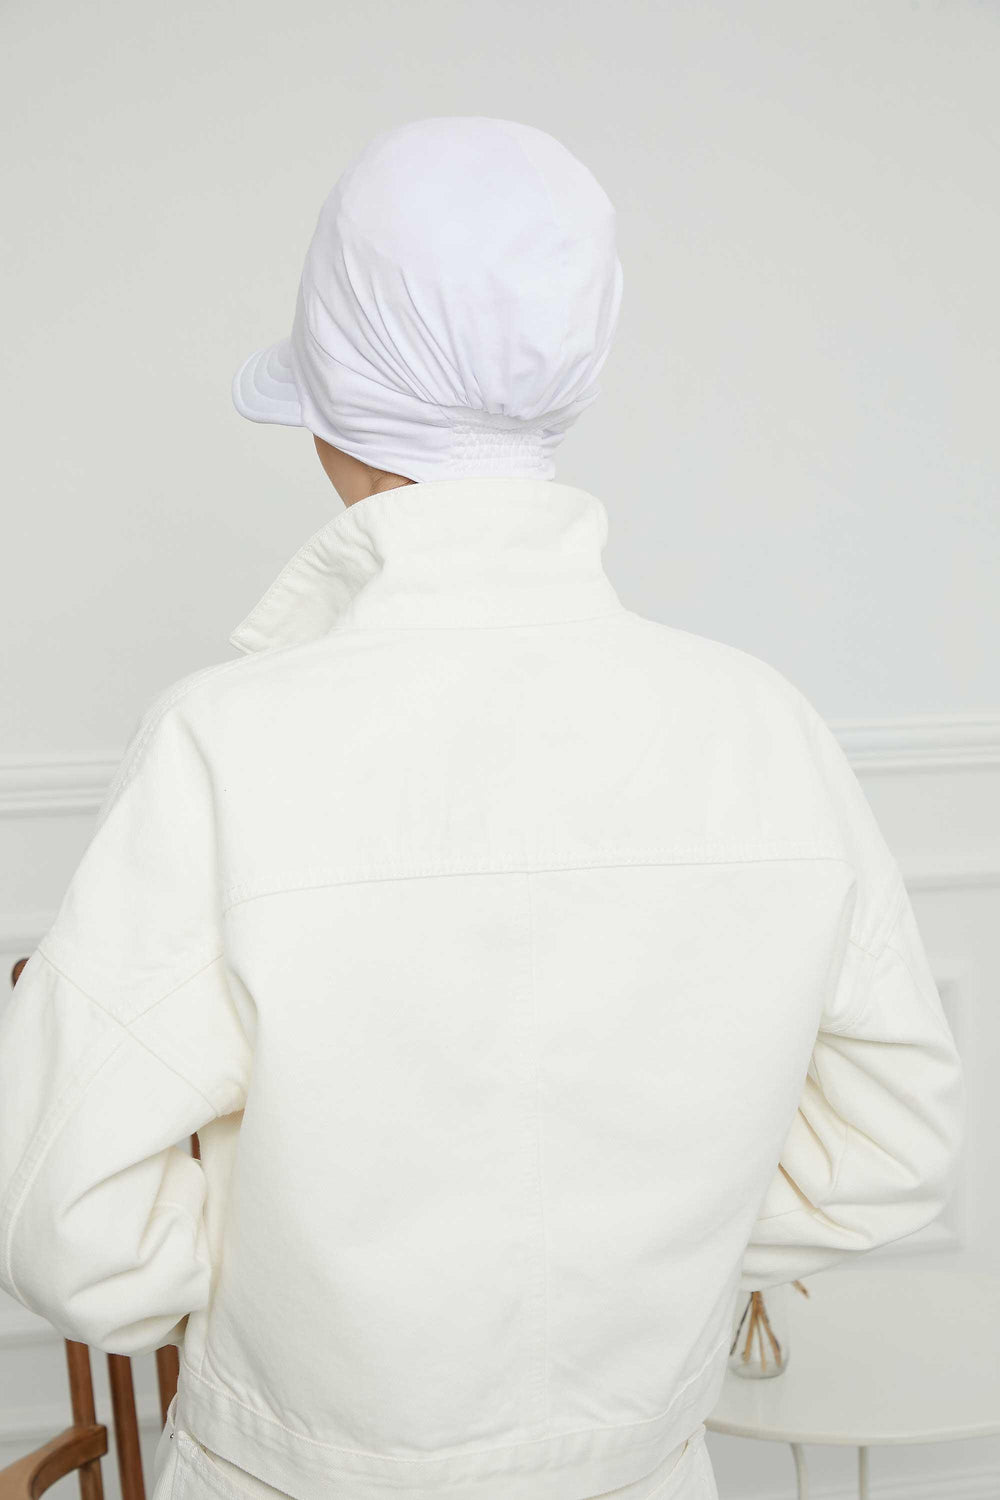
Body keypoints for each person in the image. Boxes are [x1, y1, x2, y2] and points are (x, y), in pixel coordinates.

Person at [0, 117, 964, 1500]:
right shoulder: (763, 727)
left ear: (331, 422)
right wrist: (652, 1262)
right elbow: (891, 1147)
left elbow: (68, 1224)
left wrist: (306, 1298)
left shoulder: (227, 743)